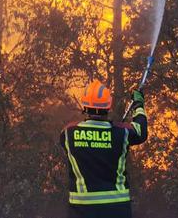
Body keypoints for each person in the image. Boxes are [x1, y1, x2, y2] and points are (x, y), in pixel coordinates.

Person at [60, 80, 147, 217]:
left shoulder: (68, 134)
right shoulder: (122, 133)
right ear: (108, 107)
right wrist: (138, 105)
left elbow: (73, 129)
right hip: (117, 210)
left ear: (84, 106)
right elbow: (140, 131)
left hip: (82, 211)